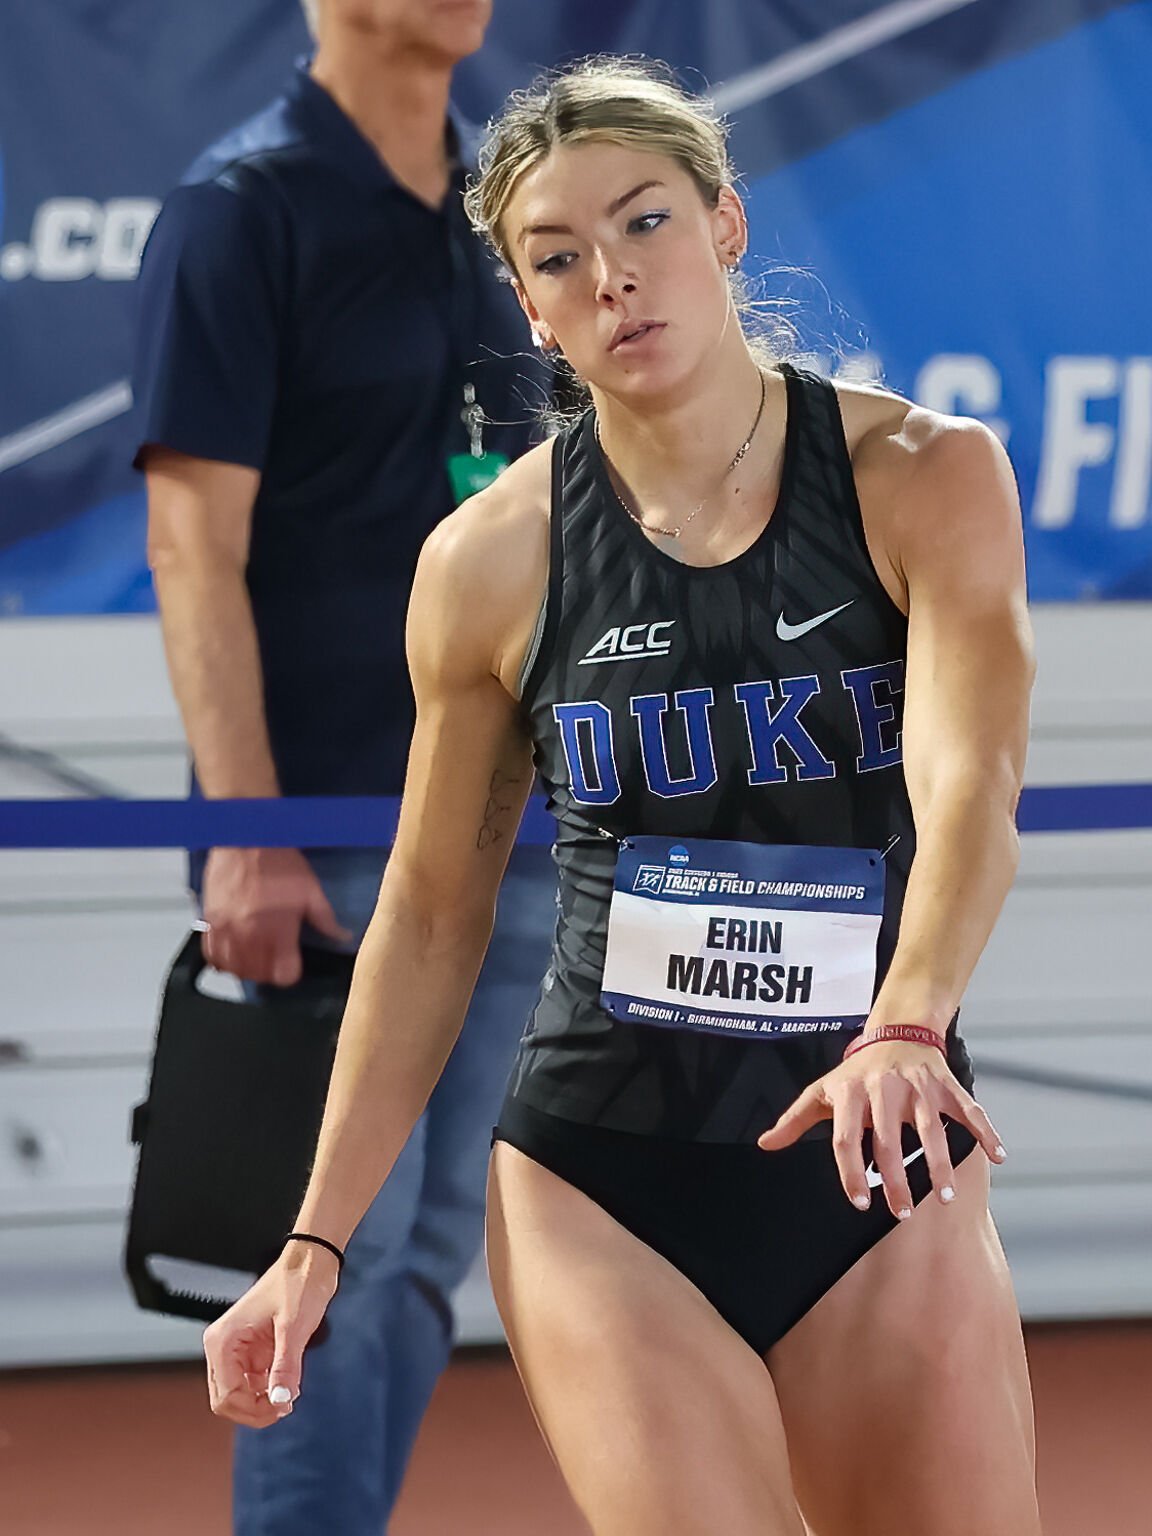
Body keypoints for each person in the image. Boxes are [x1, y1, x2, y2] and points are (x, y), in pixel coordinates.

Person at [202, 57, 1043, 1536]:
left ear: (724, 224)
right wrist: (314, 1240)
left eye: (645, 223)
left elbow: (972, 781)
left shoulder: (925, 476)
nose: (612, 278)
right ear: (527, 304)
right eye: (557, 257)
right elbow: (429, 910)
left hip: (875, 1143)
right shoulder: (491, 561)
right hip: (605, 1178)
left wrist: (909, 1017)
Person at [133, 2, 554, 1531]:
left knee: (432, 1247)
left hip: (515, 828)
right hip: (327, 834)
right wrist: (246, 831)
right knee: (333, 1258)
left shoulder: (507, 206)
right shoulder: (237, 211)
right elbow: (191, 549)